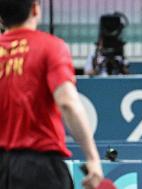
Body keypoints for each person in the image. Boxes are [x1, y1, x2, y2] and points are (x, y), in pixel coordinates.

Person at [0, 0, 103, 189]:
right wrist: (93, 158)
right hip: (38, 168)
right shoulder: (50, 47)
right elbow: (68, 103)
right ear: (35, 9)